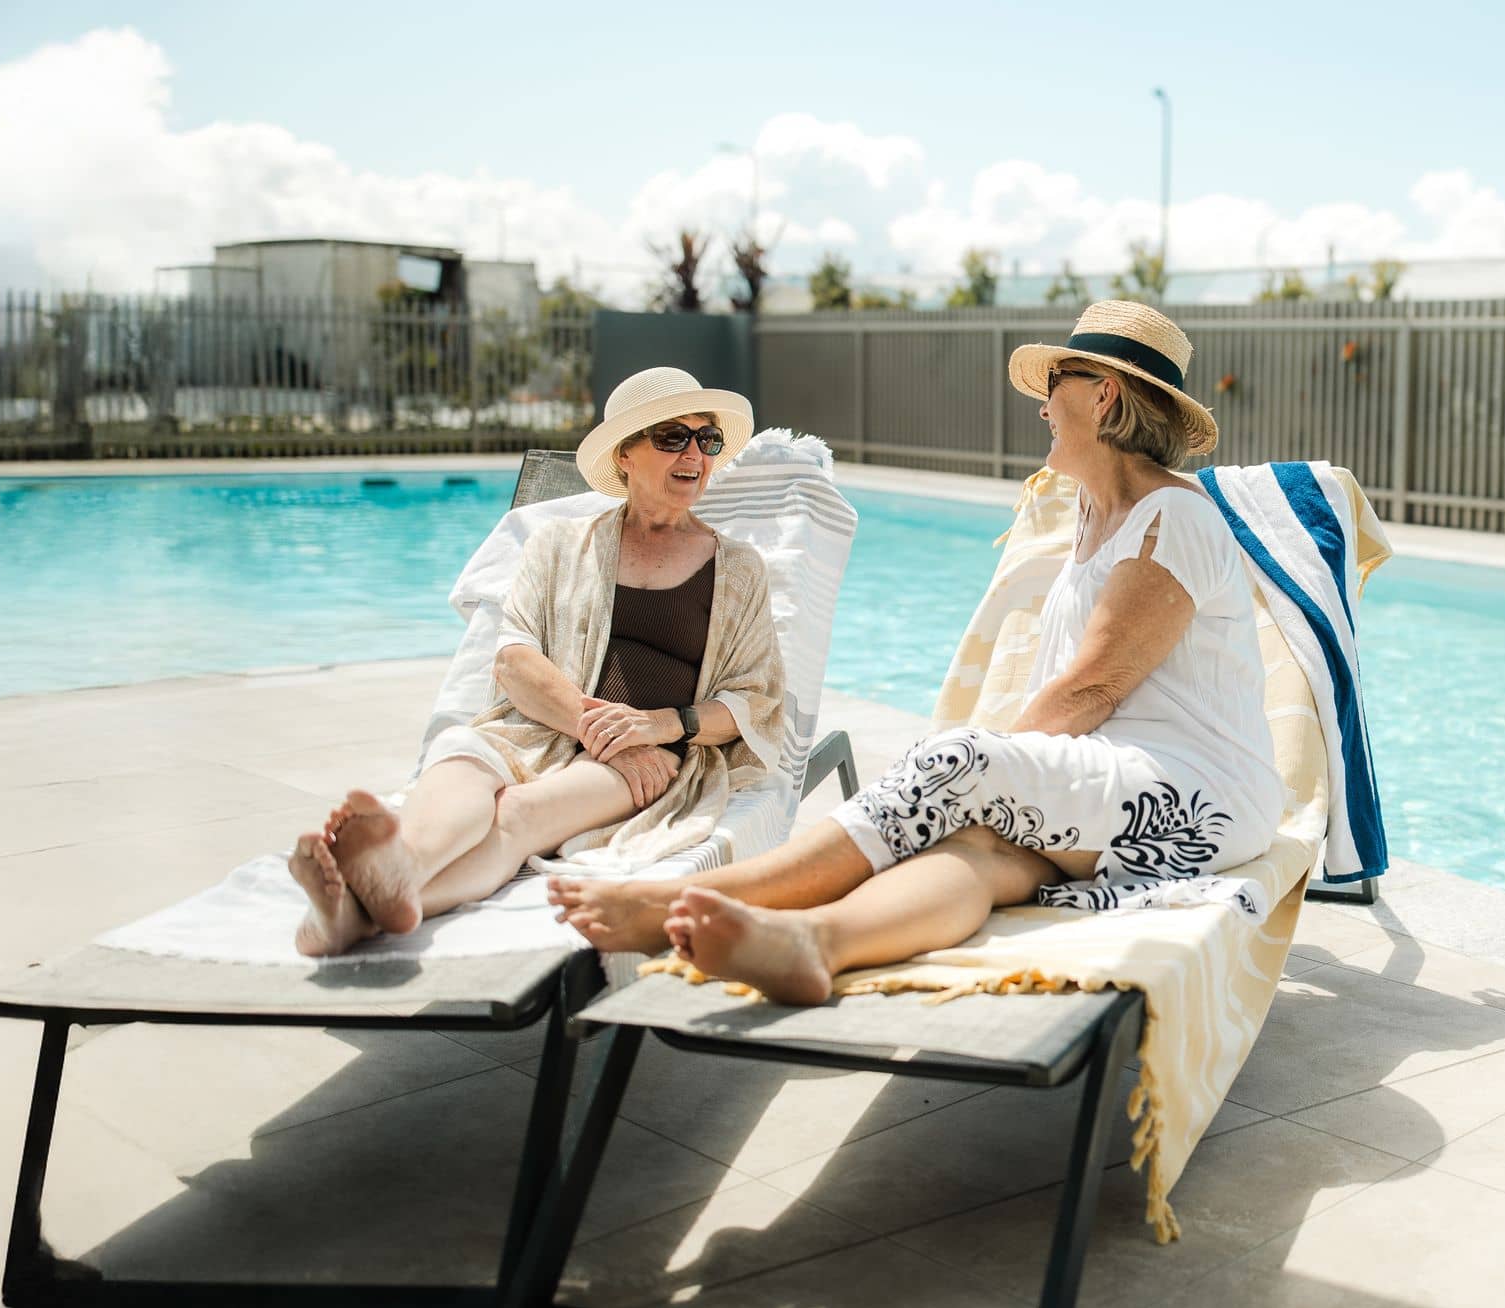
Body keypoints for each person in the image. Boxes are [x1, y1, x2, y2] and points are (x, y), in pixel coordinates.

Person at [550, 302, 1281, 1003]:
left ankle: (672, 899)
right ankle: (816, 940)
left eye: (1055, 386)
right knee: (980, 852)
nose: (1043, 406)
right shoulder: (1097, 516)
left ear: (1105, 396)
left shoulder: (1174, 518)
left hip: (1197, 791)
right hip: (1113, 783)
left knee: (957, 764)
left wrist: (977, 774)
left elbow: (1091, 690)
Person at [288, 367, 793, 956]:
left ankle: (357, 912)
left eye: (707, 441)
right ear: (625, 455)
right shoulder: (557, 544)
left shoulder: (737, 569)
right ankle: (390, 875)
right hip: (539, 728)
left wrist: (659, 726)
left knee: (519, 812)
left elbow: (755, 702)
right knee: (460, 758)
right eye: (672, 437)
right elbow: (513, 659)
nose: (695, 455)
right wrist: (596, 727)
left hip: (651, 760)